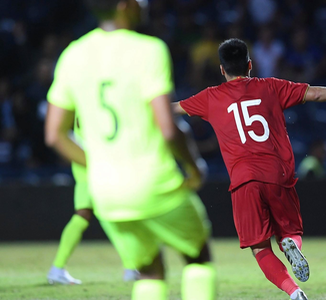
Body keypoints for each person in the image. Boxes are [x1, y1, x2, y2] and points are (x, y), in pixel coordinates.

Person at [173, 38, 326, 300]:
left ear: (222, 69)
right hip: (277, 174)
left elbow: (172, 110)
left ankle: (295, 292)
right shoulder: (271, 87)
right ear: (250, 65)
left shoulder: (209, 97)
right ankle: (291, 246)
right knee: (291, 232)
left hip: (243, 181)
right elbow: (316, 93)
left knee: (260, 248)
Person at [44, 0, 216, 299]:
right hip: (155, 183)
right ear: (125, 5)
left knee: (148, 272)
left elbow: (54, 135)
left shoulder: (72, 55)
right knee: (197, 257)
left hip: (107, 193)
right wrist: (193, 167)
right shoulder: (148, 49)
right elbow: (168, 128)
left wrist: (98, 166)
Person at [46, 115, 139, 285]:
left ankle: (57, 269)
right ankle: (131, 267)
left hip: (88, 160)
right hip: (93, 160)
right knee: (102, 213)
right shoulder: (86, 97)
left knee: (86, 214)